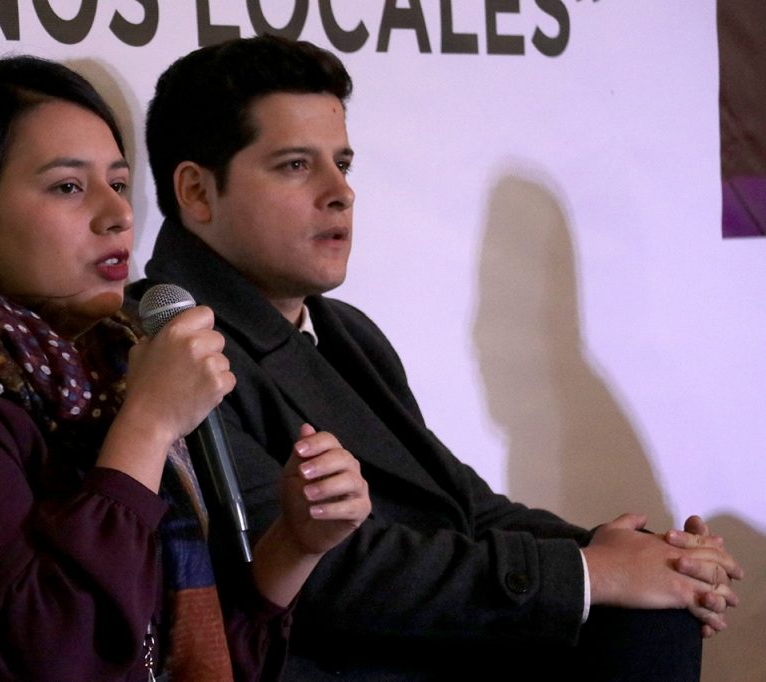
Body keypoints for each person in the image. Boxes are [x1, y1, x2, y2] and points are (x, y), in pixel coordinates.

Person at [129, 35, 744, 680]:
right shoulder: (169, 346)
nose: (340, 192)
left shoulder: (345, 331)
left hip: (427, 646)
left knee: (654, 598)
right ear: (197, 192)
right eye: (295, 166)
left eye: (344, 164)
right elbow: (312, 571)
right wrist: (589, 573)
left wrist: (635, 555)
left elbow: (463, 506)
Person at [0, 55, 370, 681]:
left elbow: (194, 659)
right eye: (68, 187)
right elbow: (59, 652)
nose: (118, 215)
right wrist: (148, 424)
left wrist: (295, 544)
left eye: (119, 183)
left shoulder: (107, 372)